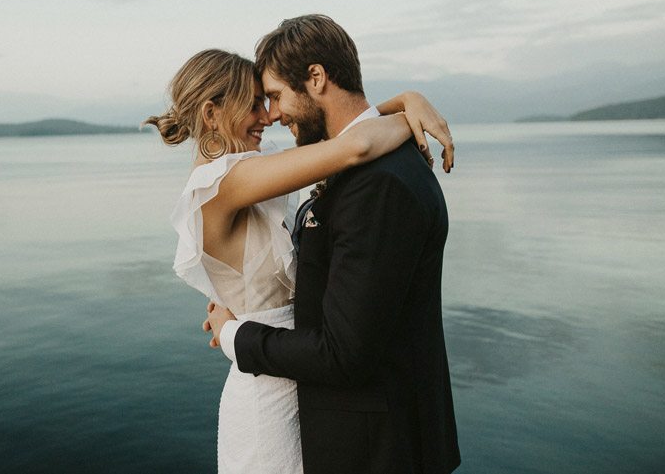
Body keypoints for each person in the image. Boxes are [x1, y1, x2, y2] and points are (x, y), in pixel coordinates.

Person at [145, 44, 454, 474]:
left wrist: (403, 101)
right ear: (213, 114)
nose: (267, 117)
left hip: (300, 379)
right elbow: (355, 147)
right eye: (253, 105)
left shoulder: (243, 176)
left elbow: (342, 137)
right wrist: (408, 109)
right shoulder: (223, 182)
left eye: (266, 101)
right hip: (268, 397)